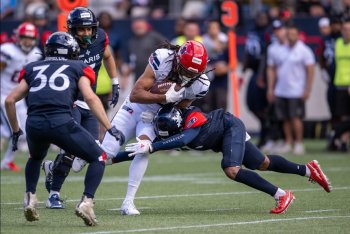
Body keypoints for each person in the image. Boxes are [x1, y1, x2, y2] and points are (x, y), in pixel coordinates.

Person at [72, 40, 211, 216]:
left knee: (143, 149)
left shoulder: (201, 84)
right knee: (108, 152)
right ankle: (87, 152)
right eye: (184, 70)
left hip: (154, 117)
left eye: (193, 74)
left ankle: (128, 202)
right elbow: (136, 94)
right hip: (135, 107)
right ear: (177, 60)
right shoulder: (162, 59)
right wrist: (164, 97)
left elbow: (181, 106)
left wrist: (166, 117)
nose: (188, 77)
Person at [4, 32, 122, 226]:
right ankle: (86, 202)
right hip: (60, 121)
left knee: (35, 158)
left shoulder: (33, 67)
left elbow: (10, 100)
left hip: (33, 123)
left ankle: (30, 197)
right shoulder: (78, 66)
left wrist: (16, 131)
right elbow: (90, 97)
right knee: (98, 157)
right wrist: (109, 127)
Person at [123, 105, 332, 214]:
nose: (161, 134)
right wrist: (107, 158)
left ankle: (281, 195)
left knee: (231, 169)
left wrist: (154, 145)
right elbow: (140, 149)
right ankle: (307, 170)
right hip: (223, 137)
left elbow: (186, 137)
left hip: (230, 126)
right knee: (262, 163)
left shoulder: (191, 118)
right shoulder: (168, 132)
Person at [41, 7, 121, 209]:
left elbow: (108, 56)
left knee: (87, 155)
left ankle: (51, 167)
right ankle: (54, 194)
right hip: (69, 101)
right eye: (81, 29)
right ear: (71, 30)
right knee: (70, 150)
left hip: (89, 100)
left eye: (89, 29)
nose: (86, 33)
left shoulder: (100, 36)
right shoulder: (63, 46)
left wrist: (115, 82)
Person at [267, 24, 315, 155]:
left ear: (298, 35)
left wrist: (307, 88)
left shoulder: (304, 51)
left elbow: (310, 70)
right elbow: (273, 69)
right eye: (289, 34)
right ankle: (288, 142)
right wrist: (271, 88)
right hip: (281, 89)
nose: (291, 37)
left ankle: (298, 143)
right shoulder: (281, 50)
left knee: (295, 117)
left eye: (294, 34)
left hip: (296, 90)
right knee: (285, 118)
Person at [0, 22, 42, 171]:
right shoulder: (7, 51)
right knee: (13, 130)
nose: (27, 41)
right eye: (24, 37)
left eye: (30, 38)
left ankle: (6, 161)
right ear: (18, 37)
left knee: (22, 132)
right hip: (4, 96)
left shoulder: (35, 53)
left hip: (19, 98)